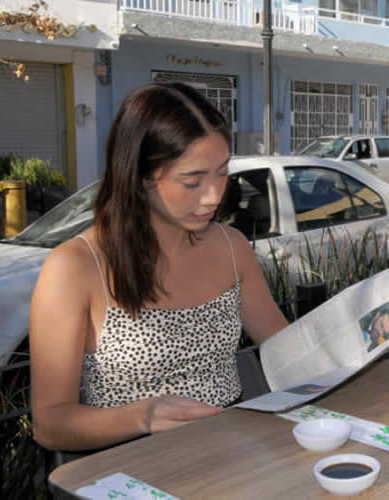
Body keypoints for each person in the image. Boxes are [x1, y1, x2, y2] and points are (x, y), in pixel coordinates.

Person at [30, 82, 290, 452]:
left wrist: (374, 312)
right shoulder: (74, 267)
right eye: (192, 180)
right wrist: (142, 417)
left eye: (221, 172)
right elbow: (50, 423)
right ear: (139, 176)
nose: (214, 195)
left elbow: (292, 349)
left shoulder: (231, 248)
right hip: (131, 469)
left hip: (233, 455)